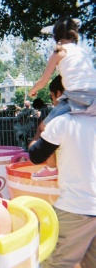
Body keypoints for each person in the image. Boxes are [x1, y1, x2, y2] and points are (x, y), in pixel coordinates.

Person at [28, 17, 96, 179]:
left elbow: (44, 80)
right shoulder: (82, 51)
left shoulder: (59, 51)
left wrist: (33, 91)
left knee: (44, 127)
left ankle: (51, 168)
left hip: (76, 97)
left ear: (56, 37)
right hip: (93, 97)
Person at [28, 111, 96, 267]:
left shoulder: (62, 122)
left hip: (76, 207)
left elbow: (36, 156)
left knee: (53, 261)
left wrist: (38, 135)